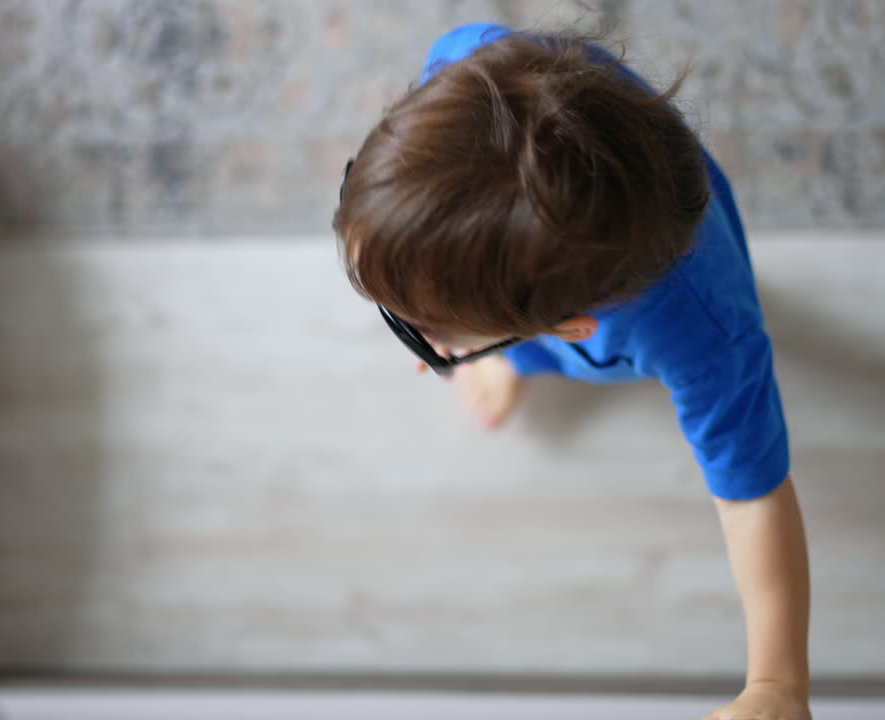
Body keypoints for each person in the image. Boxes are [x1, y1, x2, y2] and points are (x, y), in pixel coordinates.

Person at [333, 23, 811, 720]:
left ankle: (509, 356)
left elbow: (752, 496)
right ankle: (498, 350)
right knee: (503, 307)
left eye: (424, 331)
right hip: (561, 269)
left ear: (572, 330)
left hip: (635, 290)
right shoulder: (468, 60)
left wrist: (778, 684)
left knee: (518, 318)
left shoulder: (701, 333)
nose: (414, 341)